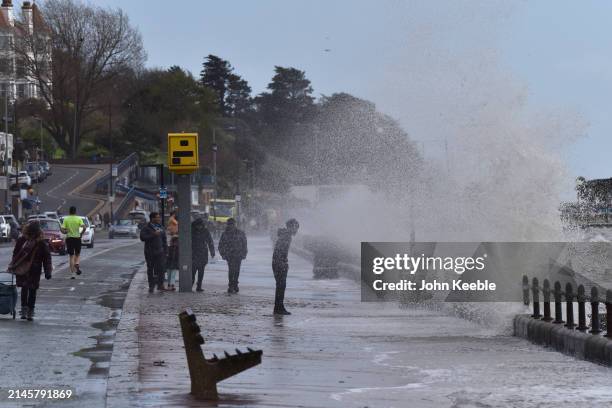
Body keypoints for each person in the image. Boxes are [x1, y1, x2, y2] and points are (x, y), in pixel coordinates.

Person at [10, 222, 52, 321]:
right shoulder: (28, 241)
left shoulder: (38, 242)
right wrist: (13, 265)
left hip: (30, 270)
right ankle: (26, 310)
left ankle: (28, 310)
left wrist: (48, 271)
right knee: (27, 289)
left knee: (29, 289)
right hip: (28, 269)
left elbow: (47, 258)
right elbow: (16, 254)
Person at [272, 219, 300, 315]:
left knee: (280, 286)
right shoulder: (286, 236)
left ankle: (279, 307)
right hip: (279, 263)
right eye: (296, 227)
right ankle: (279, 308)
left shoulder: (285, 235)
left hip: (278, 263)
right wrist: (282, 263)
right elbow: (279, 250)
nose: (297, 230)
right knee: (281, 286)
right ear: (291, 227)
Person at [140, 212, 168, 293]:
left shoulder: (161, 227)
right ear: (152, 218)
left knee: (161, 269)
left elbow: (164, 240)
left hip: (160, 252)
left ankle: (160, 285)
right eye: (157, 217)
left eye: (159, 217)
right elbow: (142, 238)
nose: (159, 219)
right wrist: (153, 234)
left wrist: (166, 251)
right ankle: (151, 286)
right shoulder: (146, 228)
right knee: (150, 269)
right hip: (150, 252)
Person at [218, 218, 247, 294]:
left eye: (232, 224)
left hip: (238, 255)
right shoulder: (225, 234)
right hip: (230, 255)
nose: (231, 226)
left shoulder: (240, 233)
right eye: (230, 224)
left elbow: (244, 244)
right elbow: (221, 245)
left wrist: (244, 253)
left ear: (235, 224)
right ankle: (231, 285)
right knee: (231, 270)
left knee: (236, 270)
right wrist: (223, 254)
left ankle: (235, 284)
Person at [191, 216, 215, 292]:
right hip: (194, 253)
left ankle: (199, 286)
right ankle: (190, 285)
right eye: (198, 225)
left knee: (201, 272)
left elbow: (210, 241)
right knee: (192, 271)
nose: (199, 227)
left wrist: (212, 252)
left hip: (202, 254)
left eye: (201, 225)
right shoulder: (191, 231)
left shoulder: (205, 231)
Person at [61, 206, 85, 279]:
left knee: (71, 256)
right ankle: (77, 263)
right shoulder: (78, 219)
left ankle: (72, 274)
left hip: (69, 238)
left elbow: (62, 229)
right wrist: (81, 233)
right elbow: (84, 227)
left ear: (69, 211)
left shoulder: (66, 219)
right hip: (77, 238)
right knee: (77, 254)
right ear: (75, 212)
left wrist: (65, 231)